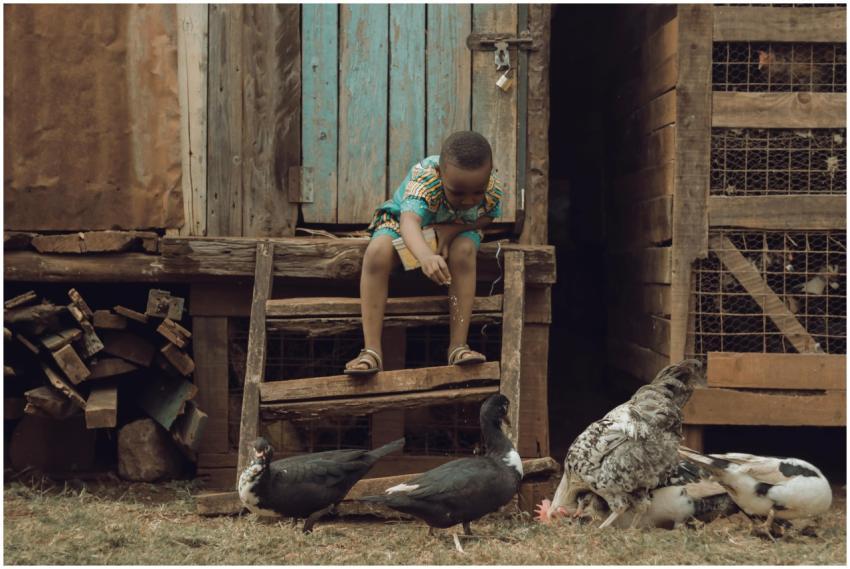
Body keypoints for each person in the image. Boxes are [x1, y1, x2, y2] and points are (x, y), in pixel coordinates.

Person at [345, 131, 504, 375]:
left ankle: (458, 346)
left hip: (459, 227)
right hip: (405, 226)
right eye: (458, 193)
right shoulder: (426, 178)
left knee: (464, 252)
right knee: (377, 253)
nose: (469, 200)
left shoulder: (492, 187)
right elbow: (409, 223)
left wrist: (451, 231)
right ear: (441, 175)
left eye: (477, 192)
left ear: (489, 174)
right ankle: (371, 351)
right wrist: (426, 257)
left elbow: (486, 217)